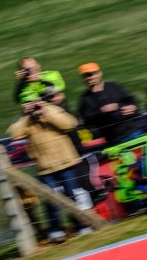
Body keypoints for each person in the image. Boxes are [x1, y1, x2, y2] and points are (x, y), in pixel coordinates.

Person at [7, 96, 91, 240]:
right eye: (28, 102)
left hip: (66, 162)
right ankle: (56, 229)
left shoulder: (53, 109)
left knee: (72, 196)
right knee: (50, 200)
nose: (32, 104)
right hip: (45, 167)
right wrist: (26, 116)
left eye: (34, 101)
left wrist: (46, 112)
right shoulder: (25, 120)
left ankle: (80, 225)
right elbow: (14, 134)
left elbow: (70, 123)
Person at [77, 63, 141, 146]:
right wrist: (101, 110)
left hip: (133, 131)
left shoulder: (113, 86)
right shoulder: (85, 98)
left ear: (100, 73)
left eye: (91, 74)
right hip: (113, 139)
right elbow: (86, 120)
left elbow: (132, 100)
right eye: (85, 76)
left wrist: (133, 107)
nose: (89, 78)